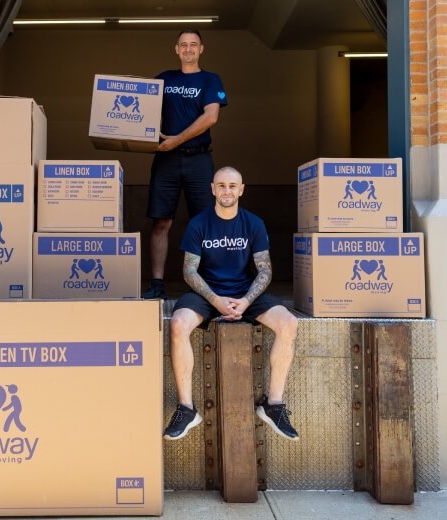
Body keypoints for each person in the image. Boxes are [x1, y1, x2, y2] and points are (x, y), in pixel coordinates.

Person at [162, 167, 300, 442]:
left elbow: (264, 269)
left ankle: (273, 405)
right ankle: (187, 409)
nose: (227, 191)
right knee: (178, 324)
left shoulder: (253, 223)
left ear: (241, 190)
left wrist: (247, 300)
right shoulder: (199, 224)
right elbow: (189, 271)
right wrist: (215, 300)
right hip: (206, 294)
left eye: (232, 186)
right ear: (213, 189)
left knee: (288, 323)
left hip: (243, 292)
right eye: (222, 186)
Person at [142, 29, 228, 299]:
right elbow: (142, 111)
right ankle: (157, 283)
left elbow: (211, 117)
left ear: (201, 49)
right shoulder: (163, 79)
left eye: (194, 45)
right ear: (176, 49)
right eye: (184, 45)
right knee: (161, 222)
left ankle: (207, 283)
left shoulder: (210, 80)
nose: (188, 49)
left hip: (199, 159)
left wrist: (176, 140)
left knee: (205, 223)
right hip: (166, 160)